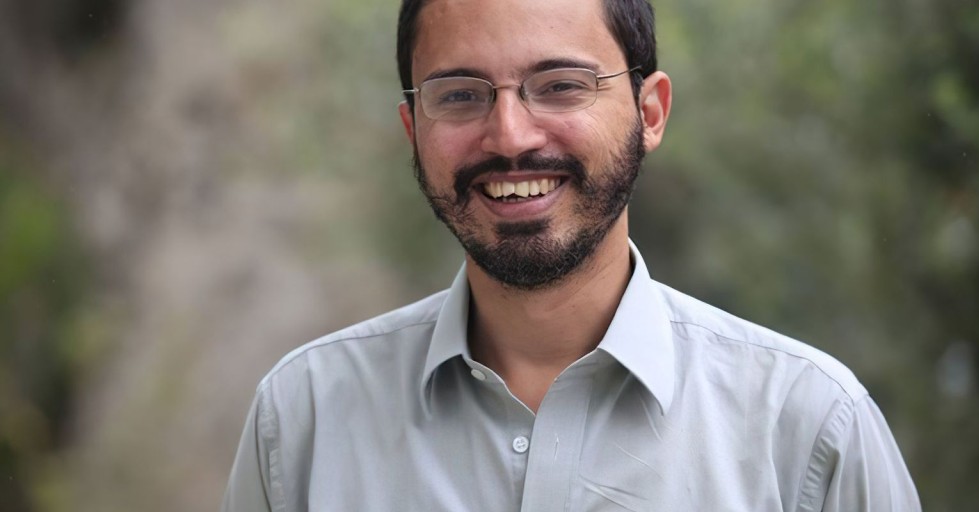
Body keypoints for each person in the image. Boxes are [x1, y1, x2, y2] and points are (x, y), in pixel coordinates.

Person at [222, 0, 921, 510]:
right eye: (459, 95)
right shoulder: (303, 419)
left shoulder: (809, 431)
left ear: (650, 112)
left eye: (560, 85)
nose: (510, 136)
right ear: (413, 130)